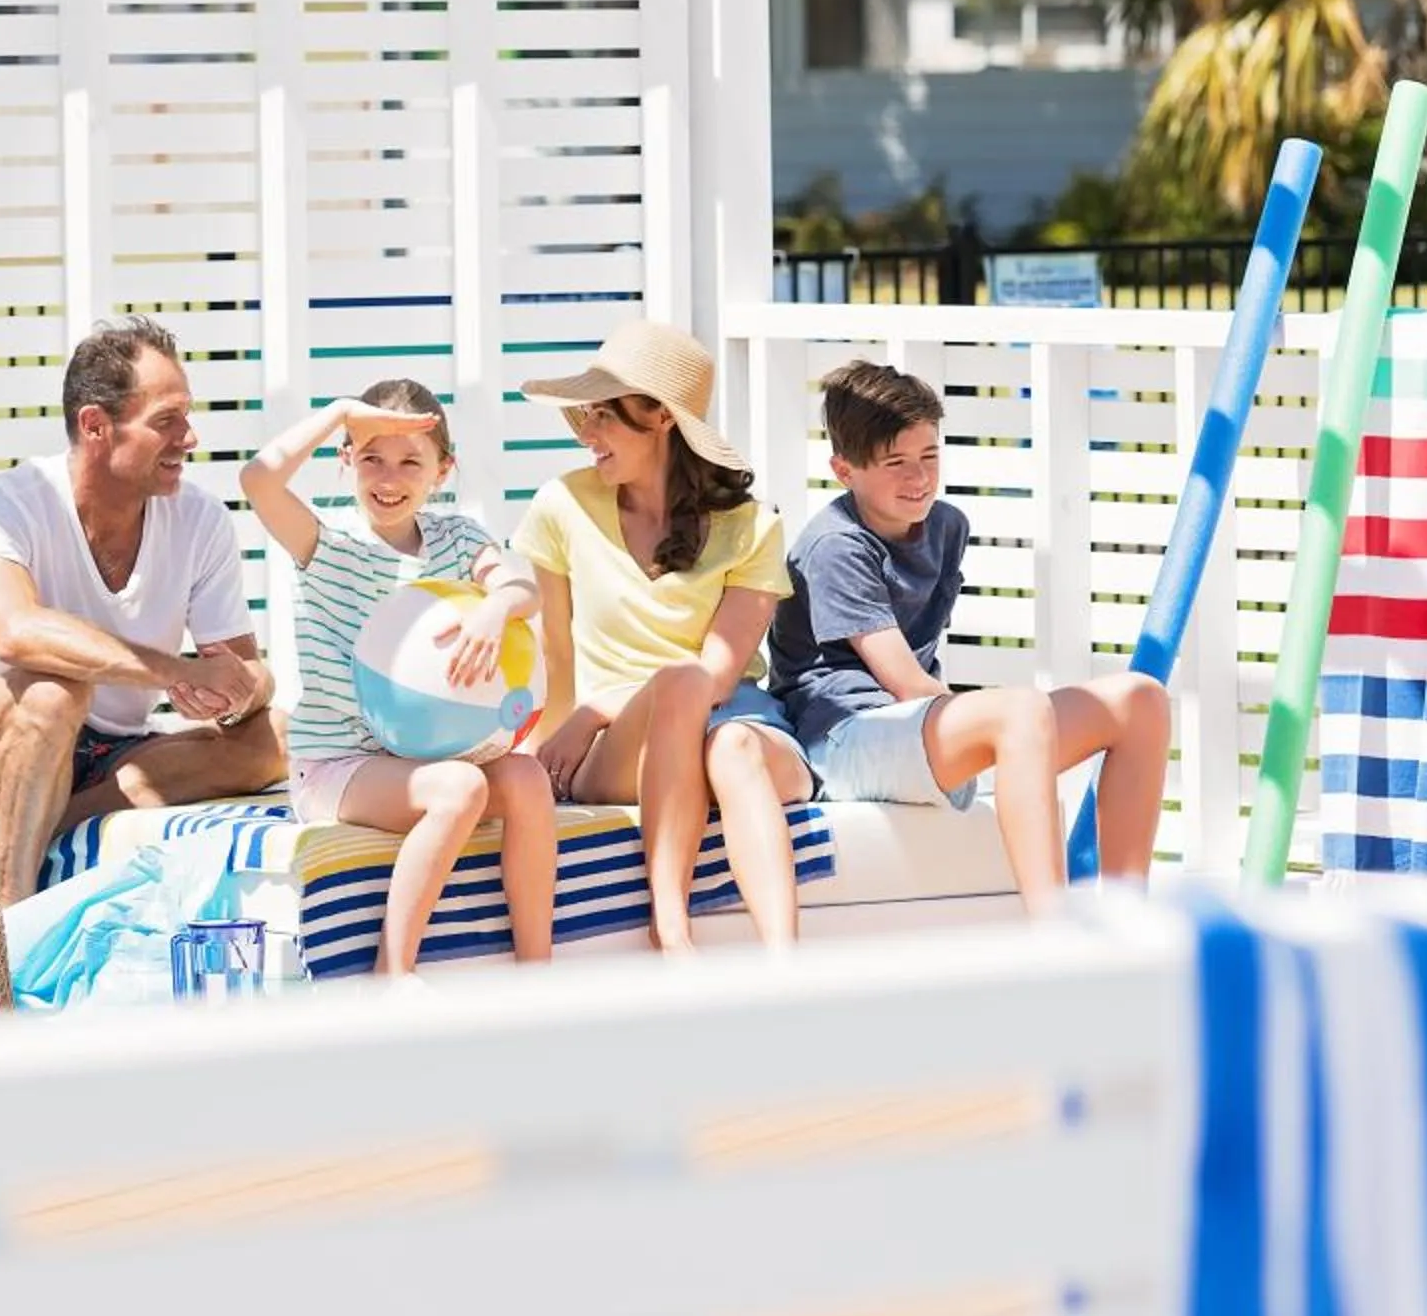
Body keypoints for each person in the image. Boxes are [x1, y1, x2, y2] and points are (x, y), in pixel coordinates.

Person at [767, 361, 1172, 907]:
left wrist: (1003, 733)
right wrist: (1005, 728)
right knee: (1020, 713)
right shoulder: (835, 545)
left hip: (917, 731)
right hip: (842, 741)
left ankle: (1128, 914)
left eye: (929, 456)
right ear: (845, 470)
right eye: (896, 463)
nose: (919, 478)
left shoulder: (946, 525)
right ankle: (1051, 926)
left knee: (1139, 700)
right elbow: (906, 682)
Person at [0, 318, 286, 903]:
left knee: (274, 738)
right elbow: (16, 635)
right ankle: (12, 908)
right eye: (166, 421)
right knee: (53, 691)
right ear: (96, 426)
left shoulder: (201, 519)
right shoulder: (3, 503)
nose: (189, 437)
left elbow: (246, 673)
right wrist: (177, 671)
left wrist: (242, 689)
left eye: (186, 417)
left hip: (110, 753)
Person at [240, 379, 557, 977]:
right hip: (339, 766)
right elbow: (258, 479)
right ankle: (394, 972)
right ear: (347, 460)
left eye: (411, 461)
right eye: (372, 459)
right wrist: (337, 412)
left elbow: (522, 588)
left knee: (525, 777)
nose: (390, 478)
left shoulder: (458, 538)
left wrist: (495, 608)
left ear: (443, 471)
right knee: (460, 789)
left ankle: (535, 972)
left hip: (433, 752)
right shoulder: (324, 546)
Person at [517, 321, 804, 952]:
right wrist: (545, 756)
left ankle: (787, 967)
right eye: (584, 417)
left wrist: (594, 708)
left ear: (661, 417)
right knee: (682, 691)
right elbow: (554, 651)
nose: (587, 435)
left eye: (604, 418)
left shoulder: (752, 527)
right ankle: (669, 924)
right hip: (620, 751)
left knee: (726, 741)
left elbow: (717, 679)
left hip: (732, 723)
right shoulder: (561, 505)